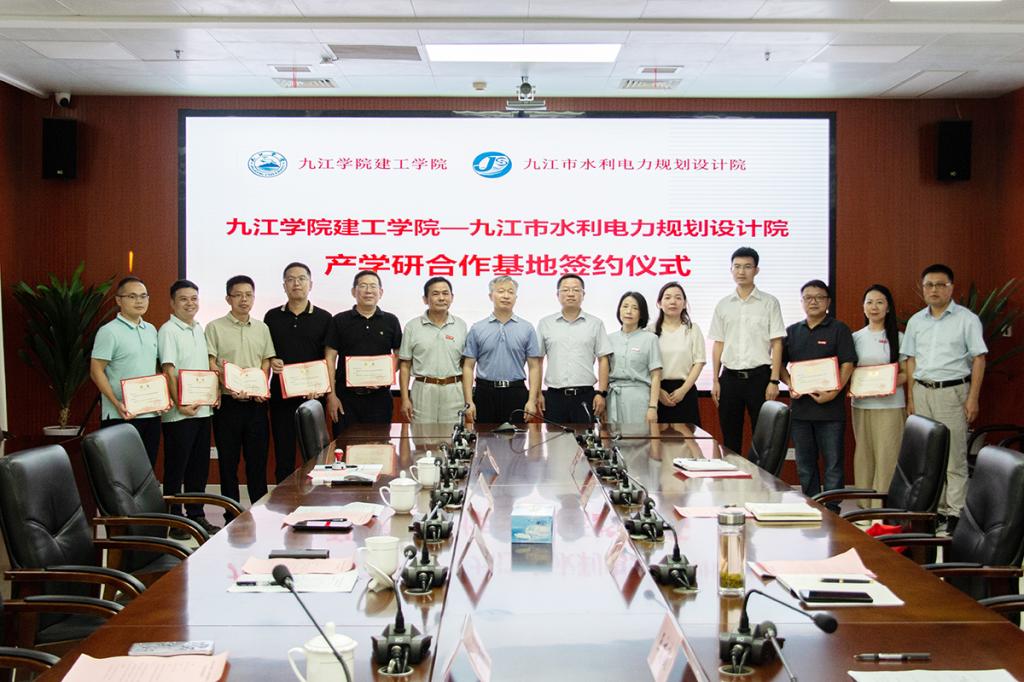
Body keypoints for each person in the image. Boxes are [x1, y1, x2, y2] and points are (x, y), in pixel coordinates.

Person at [901, 264, 987, 535]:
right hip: (922, 391)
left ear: (951, 288)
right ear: (922, 288)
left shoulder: (967, 319)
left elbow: (979, 359)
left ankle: (955, 514)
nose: (934, 290)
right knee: (927, 456)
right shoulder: (916, 321)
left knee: (953, 457)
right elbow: (911, 360)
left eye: (940, 284)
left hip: (952, 393)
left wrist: (973, 398)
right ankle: (934, 510)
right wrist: (911, 397)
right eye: (929, 285)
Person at [781, 280, 857, 507]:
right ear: (802, 301)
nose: (813, 302)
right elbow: (779, 365)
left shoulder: (839, 329)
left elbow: (848, 363)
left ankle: (832, 509)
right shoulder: (792, 331)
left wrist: (834, 392)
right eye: (808, 297)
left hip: (830, 410)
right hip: (801, 411)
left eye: (819, 297)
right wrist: (791, 384)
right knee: (805, 464)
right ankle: (813, 505)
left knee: (833, 463)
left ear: (828, 301)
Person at [205, 275, 275, 517]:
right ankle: (231, 514)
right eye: (238, 295)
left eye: (248, 295)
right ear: (228, 298)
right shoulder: (214, 327)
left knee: (257, 462)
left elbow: (266, 361)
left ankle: (259, 512)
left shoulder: (262, 328)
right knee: (228, 463)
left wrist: (261, 386)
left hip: (256, 405)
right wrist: (227, 383)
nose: (244, 300)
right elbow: (211, 362)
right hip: (228, 405)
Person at [709, 247, 786, 455]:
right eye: (737, 267)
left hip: (759, 378)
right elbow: (718, 344)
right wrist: (715, 380)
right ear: (731, 270)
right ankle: (732, 475)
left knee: (763, 438)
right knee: (730, 438)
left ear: (756, 270)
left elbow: (777, 343)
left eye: (747, 267)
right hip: (729, 379)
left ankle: (760, 477)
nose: (741, 271)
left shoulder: (769, 302)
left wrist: (774, 381)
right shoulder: (723, 305)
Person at [158, 279, 219, 538]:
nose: (190, 303)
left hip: (202, 410)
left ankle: (196, 515)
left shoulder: (198, 328)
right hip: (179, 413)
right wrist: (180, 403)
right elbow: (168, 370)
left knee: (198, 467)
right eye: (183, 299)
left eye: (194, 298)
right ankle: (174, 520)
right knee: (177, 468)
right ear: (172, 303)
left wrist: (213, 393)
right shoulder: (168, 330)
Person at [264, 262, 331, 482]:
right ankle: (283, 498)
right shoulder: (272, 317)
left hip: (314, 398)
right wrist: (272, 361)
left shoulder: (324, 318)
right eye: (291, 279)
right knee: (283, 454)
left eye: (301, 279)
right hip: (281, 396)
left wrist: (322, 388)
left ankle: (315, 497)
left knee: (315, 455)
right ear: (284, 285)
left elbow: (328, 358)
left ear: (311, 284)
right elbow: (266, 352)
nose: (296, 283)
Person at [90, 276, 162, 467]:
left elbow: (153, 369)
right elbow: (96, 371)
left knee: (146, 470)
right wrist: (116, 403)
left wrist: (161, 399)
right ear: (118, 300)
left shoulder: (151, 330)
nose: (139, 301)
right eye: (132, 296)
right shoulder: (109, 331)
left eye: (143, 296)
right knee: (122, 472)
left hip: (151, 415)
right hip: (120, 415)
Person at [325, 270, 402, 434]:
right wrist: (331, 395)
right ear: (354, 291)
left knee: (379, 444)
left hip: (380, 398)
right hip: (346, 398)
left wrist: (384, 376)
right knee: (345, 445)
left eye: (373, 286)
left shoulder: (391, 321)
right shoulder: (339, 320)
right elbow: (330, 358)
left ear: (381, 292)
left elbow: (398, 355)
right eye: (363, 286)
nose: (368, 291)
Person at [851, 284, 908, 508]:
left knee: (888, 456)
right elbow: (848, 371)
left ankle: (882, 507)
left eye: (880, 302)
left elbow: (907, 373)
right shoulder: (855, 337)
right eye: (869, 302)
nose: (874, 307)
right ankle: (864, 506)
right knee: (864, 455)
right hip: (861, 405)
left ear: (888, 308)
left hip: (890, 406)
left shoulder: (899, 337)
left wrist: (886, 384)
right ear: (863, 307)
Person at [462, 276, 542, 424]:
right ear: (490, 296)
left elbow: (534, 367)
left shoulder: (527, 328)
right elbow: (468, 366)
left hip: (516, 392)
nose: (506, 296)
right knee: (484, 436)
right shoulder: (477, 328)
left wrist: (532, 400)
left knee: (516, 437)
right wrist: (469, 402)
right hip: (484, 392)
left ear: (516, 297)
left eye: (510, 292)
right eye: (500, 291)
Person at [536, 274, 612, 424]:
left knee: (585, 438)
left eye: (576, 290)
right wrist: (537, 393)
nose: (570, 294)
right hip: (554, 397)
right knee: (554, 438)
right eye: (565, 290)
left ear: (583, 294)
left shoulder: (595, 324)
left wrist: (601, 393)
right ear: (557, 295)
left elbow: (603, 359)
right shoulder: (545, 323)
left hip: (585, 396)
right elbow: (538, 361)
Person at [398, 277, 467, 422]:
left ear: (452, 297)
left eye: (445, 293)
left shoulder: (461, 326)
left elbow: (465, 364)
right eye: (435, 294)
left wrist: (468, 399)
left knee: (453, 434)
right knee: (422, 435)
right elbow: (405, 366)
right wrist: (404, 399)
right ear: (425, 299)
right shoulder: (412, 327)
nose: (441, 298)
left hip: (453, 391)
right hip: (423, 390)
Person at [653, 281, 706, 425]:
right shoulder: (650, 331)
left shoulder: (692, 329)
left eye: (678, 298)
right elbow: (644, 365)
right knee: (658, 437)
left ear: (684, 304)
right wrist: (658, 392)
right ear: (659, 303)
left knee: (688, 436)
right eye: (667, 297)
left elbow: (699, 362)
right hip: (657, 392)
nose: (673, 302)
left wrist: (683, 390)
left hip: (685, 391)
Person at [607, 292, 662, 424]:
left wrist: (653, 407)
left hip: (639, 399)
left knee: (639, 435)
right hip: (612, 397)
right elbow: (604, 371)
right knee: (613, 436)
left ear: (642, 313)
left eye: (635, 308)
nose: (629, 311)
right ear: (619, 310)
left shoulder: (650, 339)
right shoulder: (609, 339)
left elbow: (656, 376)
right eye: (625, 306)